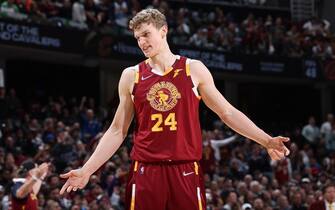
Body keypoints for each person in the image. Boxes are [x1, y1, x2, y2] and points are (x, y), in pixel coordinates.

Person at [59, 8, 290, 210]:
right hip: (146, 170)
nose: (142, 42)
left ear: (163, 30)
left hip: (185, 169)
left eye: (146, 34)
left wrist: (266, 140)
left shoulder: (193, 69)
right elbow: (118, 131)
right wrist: (87, 170)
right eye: (138, 37)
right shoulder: (131, 75)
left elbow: (227, 113)